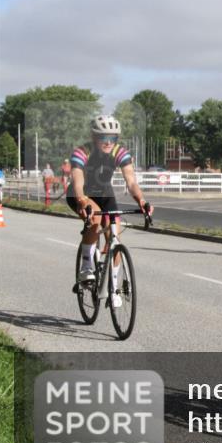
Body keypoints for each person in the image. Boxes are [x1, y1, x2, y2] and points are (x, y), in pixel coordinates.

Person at [67, 115, 151, 304]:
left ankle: (114, 289)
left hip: (105, 193)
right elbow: (78, 180)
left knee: (115, 237)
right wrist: (82, 200)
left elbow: (131, 182)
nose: (108, 142)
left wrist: (142, 201)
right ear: (94, 137)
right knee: (95, 220)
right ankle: (86, 267)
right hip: (81, 194)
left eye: (113, 138)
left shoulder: (120, 152)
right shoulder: (82, 152)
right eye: (103, 137)